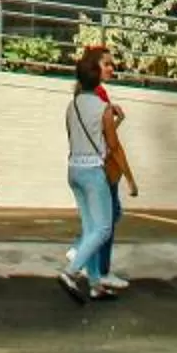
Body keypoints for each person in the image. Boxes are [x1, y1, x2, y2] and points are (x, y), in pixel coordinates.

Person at [57, 46, 123, 302]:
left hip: (74, 169)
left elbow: (74, 137)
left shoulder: (72, 105)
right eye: (107, 65)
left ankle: (96, 285)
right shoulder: (103, 107)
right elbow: (111, 144)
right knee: (103, 228)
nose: (111, 68)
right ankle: (71, 272)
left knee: (90, 228)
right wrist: (117, 120)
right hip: (94, 172)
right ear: (95, 74)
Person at [93, 91, 138, 296]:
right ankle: (100, 269)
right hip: (107, 175)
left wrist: (118, 121)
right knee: (107, 223)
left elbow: (104, 139)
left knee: (112, 215)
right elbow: (113, 146)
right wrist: (130, 180)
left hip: (104, 175)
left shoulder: (86, 106)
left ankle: (87, 256)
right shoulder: (97, 101)